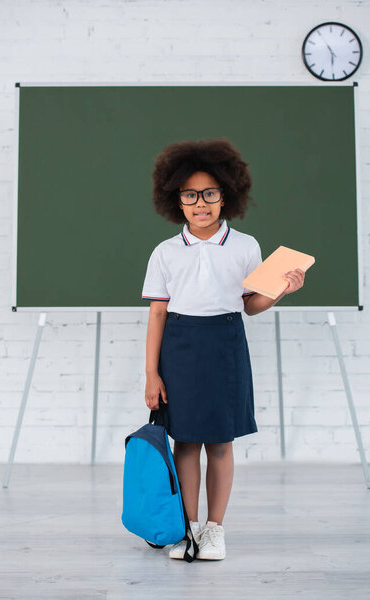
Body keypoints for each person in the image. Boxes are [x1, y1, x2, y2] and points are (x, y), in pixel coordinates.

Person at [141, 138, 305, 561]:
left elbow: (250, 306)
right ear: (176, 200)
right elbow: (157, 315)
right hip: (178, 348)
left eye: (210, 194)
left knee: (220, 442)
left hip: (226, 344)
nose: (201, 204)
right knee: (186, 442)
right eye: (191, 195)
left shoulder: (246, 246)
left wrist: (280, 290)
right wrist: (151, 373)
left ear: (226, 195)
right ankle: (188, 529)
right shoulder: (165, 252)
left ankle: (215, 530)